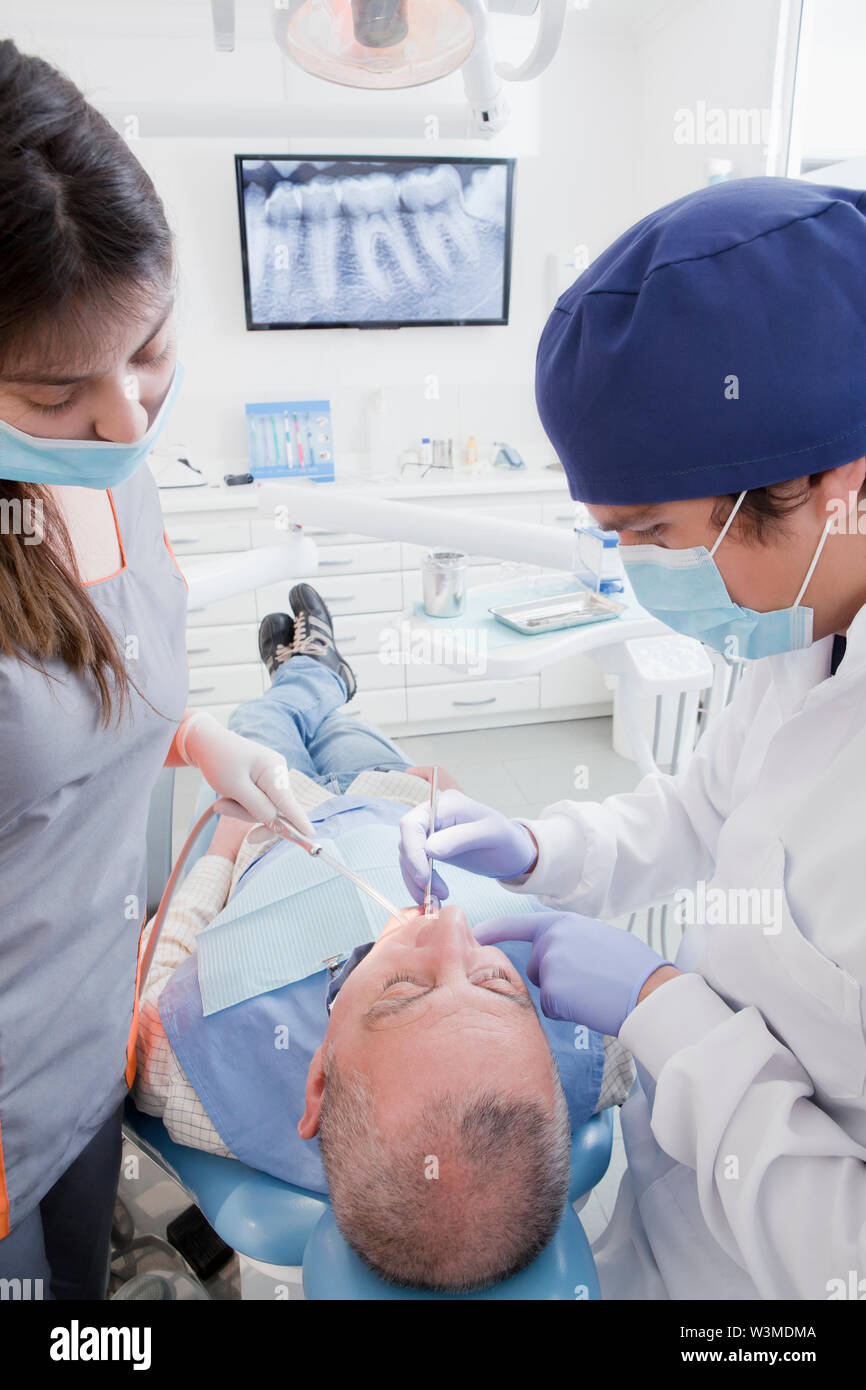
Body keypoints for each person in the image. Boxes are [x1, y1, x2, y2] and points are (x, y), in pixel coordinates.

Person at [400, 177, 866, 1300]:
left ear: (830, 487)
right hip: (667, 1230)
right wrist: (534, 848)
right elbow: (707, 810)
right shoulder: (800, 628)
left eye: (653, 533)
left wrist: (670, 1013)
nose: (642, 577)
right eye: (614, 539)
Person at [0, 43, 313, 1299]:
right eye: (55, 391)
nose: (128, 421)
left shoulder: (108, 472)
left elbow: (120, 671)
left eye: (150, 350)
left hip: (88, 1061)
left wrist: (199, 741)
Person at [136, 587, 631, 1293]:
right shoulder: (596, 1038)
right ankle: (319, 675)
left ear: (319, 1084)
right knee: (346, 728)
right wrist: (484, 815)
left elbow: (163, 960)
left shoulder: (188, 1075)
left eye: (404, 989)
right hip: (398, 798)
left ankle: (303, 670)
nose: (452, 927)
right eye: (498, 983)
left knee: (261, 721)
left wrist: (224, 848)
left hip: (275, 823)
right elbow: (547, 894)